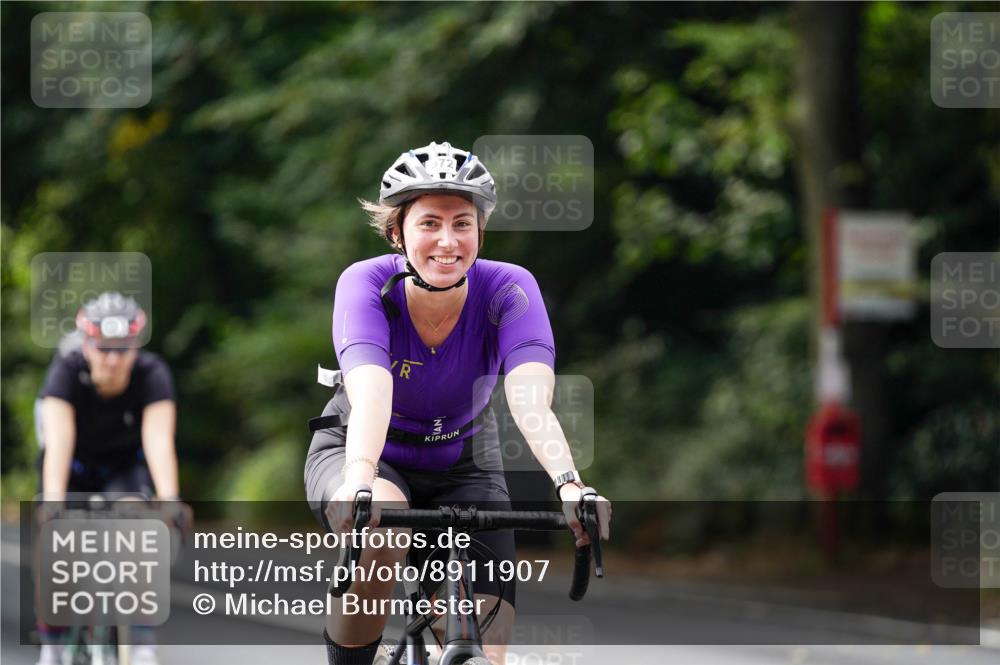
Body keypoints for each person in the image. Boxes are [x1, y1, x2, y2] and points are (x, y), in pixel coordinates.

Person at [305, 141, 611, 665]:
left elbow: (529, 397)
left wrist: (570, 482)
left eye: (462, 223)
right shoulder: (365, 284)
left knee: (485, 651)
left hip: (464, 460)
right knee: (382, 521)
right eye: (429, 224)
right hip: (367, 451)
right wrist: (358, 478)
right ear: (397, 232)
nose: (447, 241)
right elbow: (373, 391)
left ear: (479, 231)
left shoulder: (511, 289)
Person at [34, 291, 181, 665]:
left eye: (123, 349)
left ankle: (142, 643)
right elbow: (59, 441)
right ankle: (51, 646)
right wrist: (52, 501)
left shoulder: (153, 374)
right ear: (86, 344)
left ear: (136, 347)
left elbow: (159, 442)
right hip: (74, 467)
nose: (113, 360)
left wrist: (170, 500)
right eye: (103, 348)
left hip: (123, 469)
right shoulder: (66, 370)